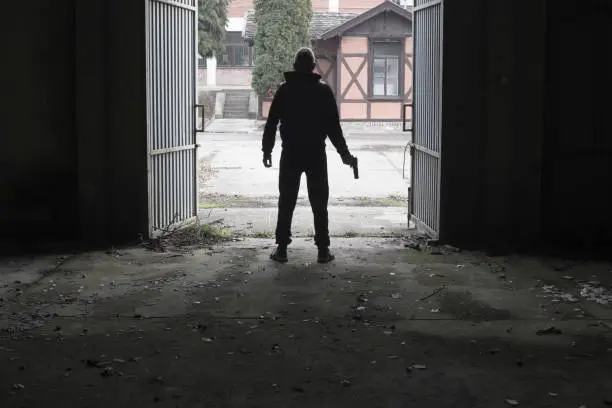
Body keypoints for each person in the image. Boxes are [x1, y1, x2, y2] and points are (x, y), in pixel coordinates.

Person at [262, 47, 355, 264]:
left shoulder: (284, 91)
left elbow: (271, 123)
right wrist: (344, 154)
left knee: (286, 201)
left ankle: (282, 249)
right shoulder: (323, 92)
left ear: (294, 66)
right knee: (319, 202)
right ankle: (323, 250)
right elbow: (334, 129)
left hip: (291, 153)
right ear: (314, 67)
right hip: (315, 154)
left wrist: (267, 150)